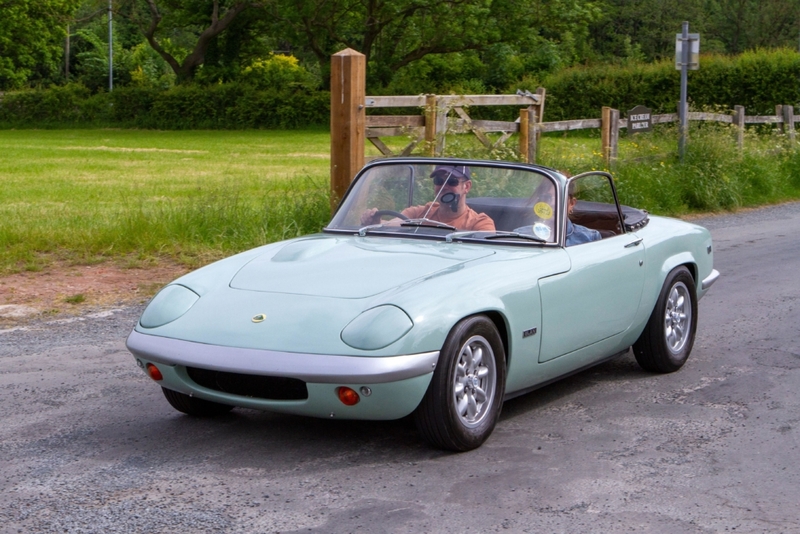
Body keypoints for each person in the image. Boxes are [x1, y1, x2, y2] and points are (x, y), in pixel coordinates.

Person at [360, 165, 495, 231]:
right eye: (438, 181)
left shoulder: (480, 223)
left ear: (466, 187)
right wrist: (375, 222)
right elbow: (394, 225)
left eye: (452, 181)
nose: (444, 187)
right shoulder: (419, 213)